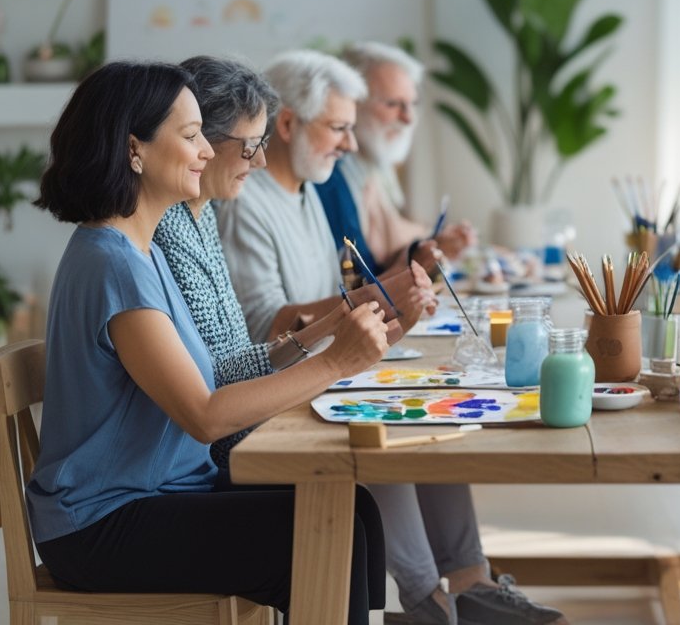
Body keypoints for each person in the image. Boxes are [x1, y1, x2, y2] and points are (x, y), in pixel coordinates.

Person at [29, 61, 390, 623]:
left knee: (352, 509)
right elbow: (204, 414)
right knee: (317, 534)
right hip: (106, 520)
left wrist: (329, 336)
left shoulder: (139, 252)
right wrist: (338, 361)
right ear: (135, 150)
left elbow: (209, 381)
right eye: (192, 135)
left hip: (163, 491)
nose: (206, 151)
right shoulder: (114, 264)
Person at [218, 50, 564, 625]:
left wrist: (388, 294)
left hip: (318, 371)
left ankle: (468, 584)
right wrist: (378, 297)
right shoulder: (249, 204)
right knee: (387, 420)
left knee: (427, 409)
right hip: (279, 394)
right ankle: (430, 601)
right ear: (286, 125)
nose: (350, 145)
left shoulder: (304, 192)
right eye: (339, 128)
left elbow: (330, 297)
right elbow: (267, 328)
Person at [155, 55, 426, 470]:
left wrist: (342, 319)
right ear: (200, 143)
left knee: (397, 455)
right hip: (209, 461)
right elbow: (214, 398)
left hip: (232, 436)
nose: (260, 161)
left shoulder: (202, 214)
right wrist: (336, 355)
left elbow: (231, 360)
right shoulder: (174, 228)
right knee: (378, 471)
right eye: (250, 146)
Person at [314, 41, 476, 274]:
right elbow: (362, 276)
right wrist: (428, 251)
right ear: (352, 104)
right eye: (392, 104)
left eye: (412, 104)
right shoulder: (329, 177)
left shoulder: (375, 167)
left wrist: (436, 244)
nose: (408, 118)